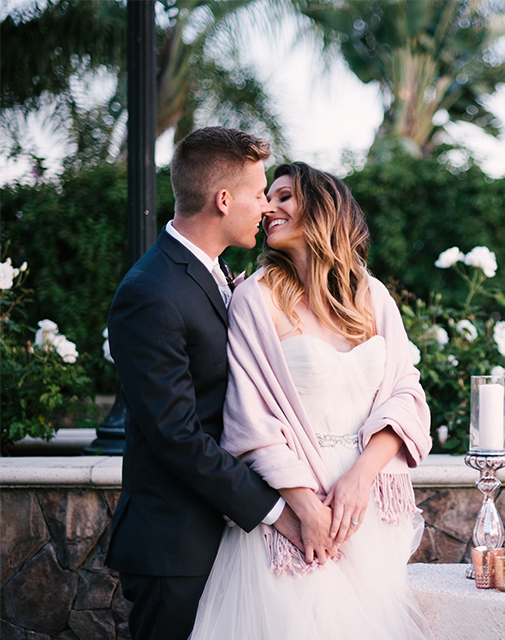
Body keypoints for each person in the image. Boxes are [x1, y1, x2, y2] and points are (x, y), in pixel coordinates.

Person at [107, 128, 334, 640]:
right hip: (176, 543)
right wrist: (279, 510)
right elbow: (178, 436)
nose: (265, 207)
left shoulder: (216, 272)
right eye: (258, 194)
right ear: (223, 199)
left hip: (222, 535)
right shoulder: (150, 292)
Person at [189, 162, 432, 639]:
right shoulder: (255, 298)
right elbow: (250, 419)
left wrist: (360, 479)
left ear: (322, 208)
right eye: (267, 197)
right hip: (296, 505)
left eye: (284, 197)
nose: (268, 208)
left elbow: (407, 394)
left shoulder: (373, 295)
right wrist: (306, 510)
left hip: (366, 506)